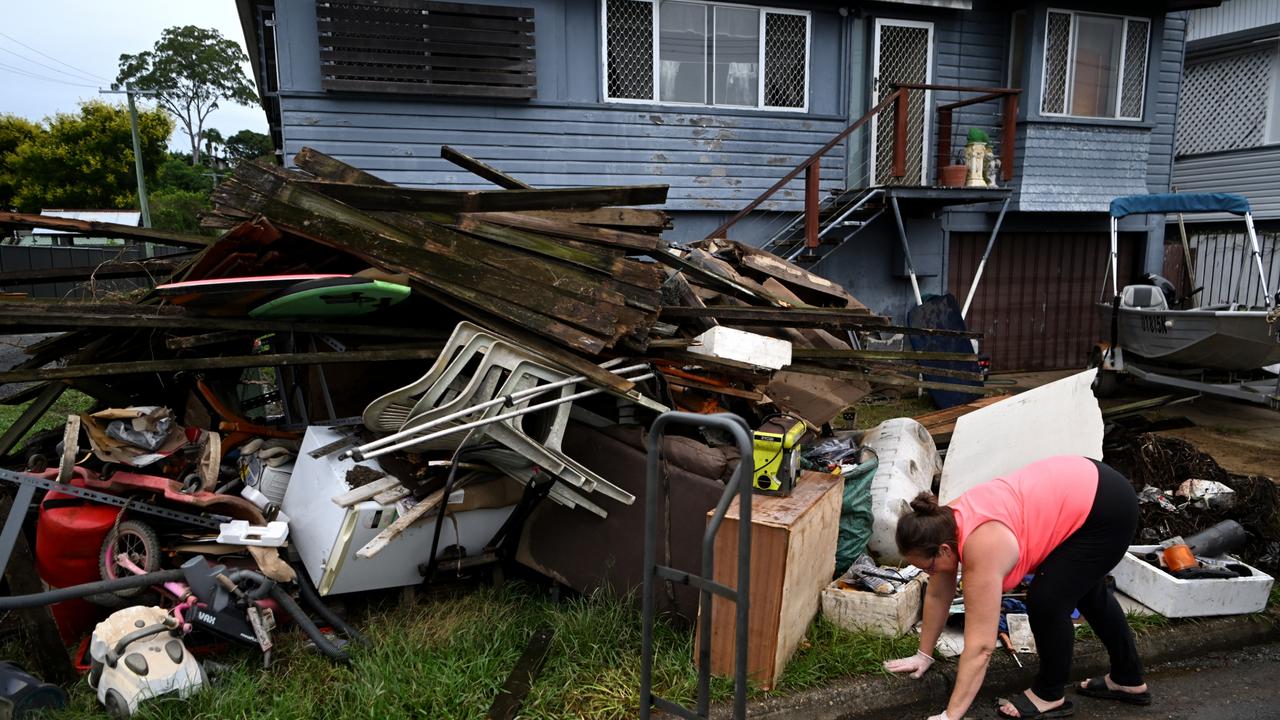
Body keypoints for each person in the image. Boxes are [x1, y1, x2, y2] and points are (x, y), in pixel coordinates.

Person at [882, 455, 1151, 719]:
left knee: (1048, 601)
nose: (930, 573)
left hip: (1105, 510)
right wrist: (923, 654)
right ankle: (1128, 679)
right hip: (1084, 485)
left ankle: (1049, 695)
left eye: (928, 567)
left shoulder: (982, 546)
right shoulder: (939, 526)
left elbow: (981, 647)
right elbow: (939, 593)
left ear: (942, 550)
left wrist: (950, 716)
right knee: (1086, 591)